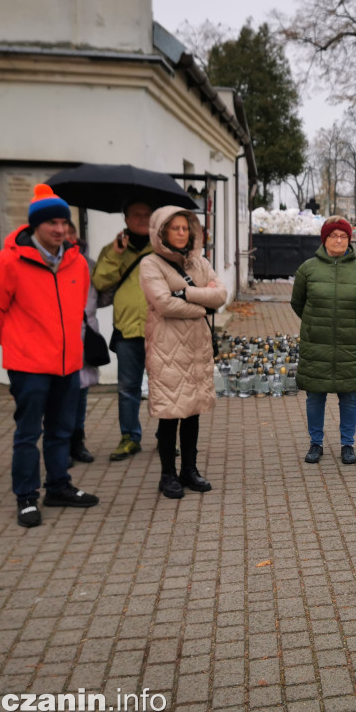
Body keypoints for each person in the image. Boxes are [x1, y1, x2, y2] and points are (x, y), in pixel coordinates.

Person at [0, 184, 100, 527]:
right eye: (52, 223)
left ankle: (59, 486)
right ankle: (27, 496)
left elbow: (77, 313)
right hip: (29, 366)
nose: (59, 229)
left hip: (68, 364)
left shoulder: (76, 262)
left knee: (62, 431)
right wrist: (19, 344)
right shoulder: (8, 262)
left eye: (64, 222)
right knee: (28, 433)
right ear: (35, 225)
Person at [139, 206, 227, 499]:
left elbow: (221, 295)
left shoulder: (199, 263)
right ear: (161, 231)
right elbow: (163, 304)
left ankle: (190, 469)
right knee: (170, 412)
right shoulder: (151, 264)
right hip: (166, 347)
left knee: (192, 412)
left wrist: (186, 294)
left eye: (184, 228)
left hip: (196, 346)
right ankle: (168, 475)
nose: (180, 233)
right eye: (174, 228)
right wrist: (204, 304)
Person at [290, 216, 356, 465]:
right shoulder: (308, 269)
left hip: (350, 343)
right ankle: (316, 443)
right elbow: (298, 303)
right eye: (333, 235)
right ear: (324, 239)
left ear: (350, 240)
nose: (338, 240)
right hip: (317, 342)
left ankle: (347, 444)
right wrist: (316, 323)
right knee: (315, 396)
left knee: (350, 396)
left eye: (343, 236)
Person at [92, 199, 155, 461]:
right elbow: (99, 281)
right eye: (136, 214)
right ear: (125, 219)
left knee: (163, 387)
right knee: (127, 387)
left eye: (146, 214)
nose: (142, 218)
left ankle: (167, 435)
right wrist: (117, 254)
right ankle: (130, 437)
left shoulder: (163, 248)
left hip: (160, 328)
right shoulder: (113, 249)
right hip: (127, 329)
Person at [65, 222, 100, 466]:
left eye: (71, 231)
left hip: (85, 335)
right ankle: (61, 446)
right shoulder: (48, 265)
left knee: (81, 394)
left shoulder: (88, 264)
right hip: (60, 338)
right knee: (60, 397)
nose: (66, 236)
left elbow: (103, 292)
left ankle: (77, 442)